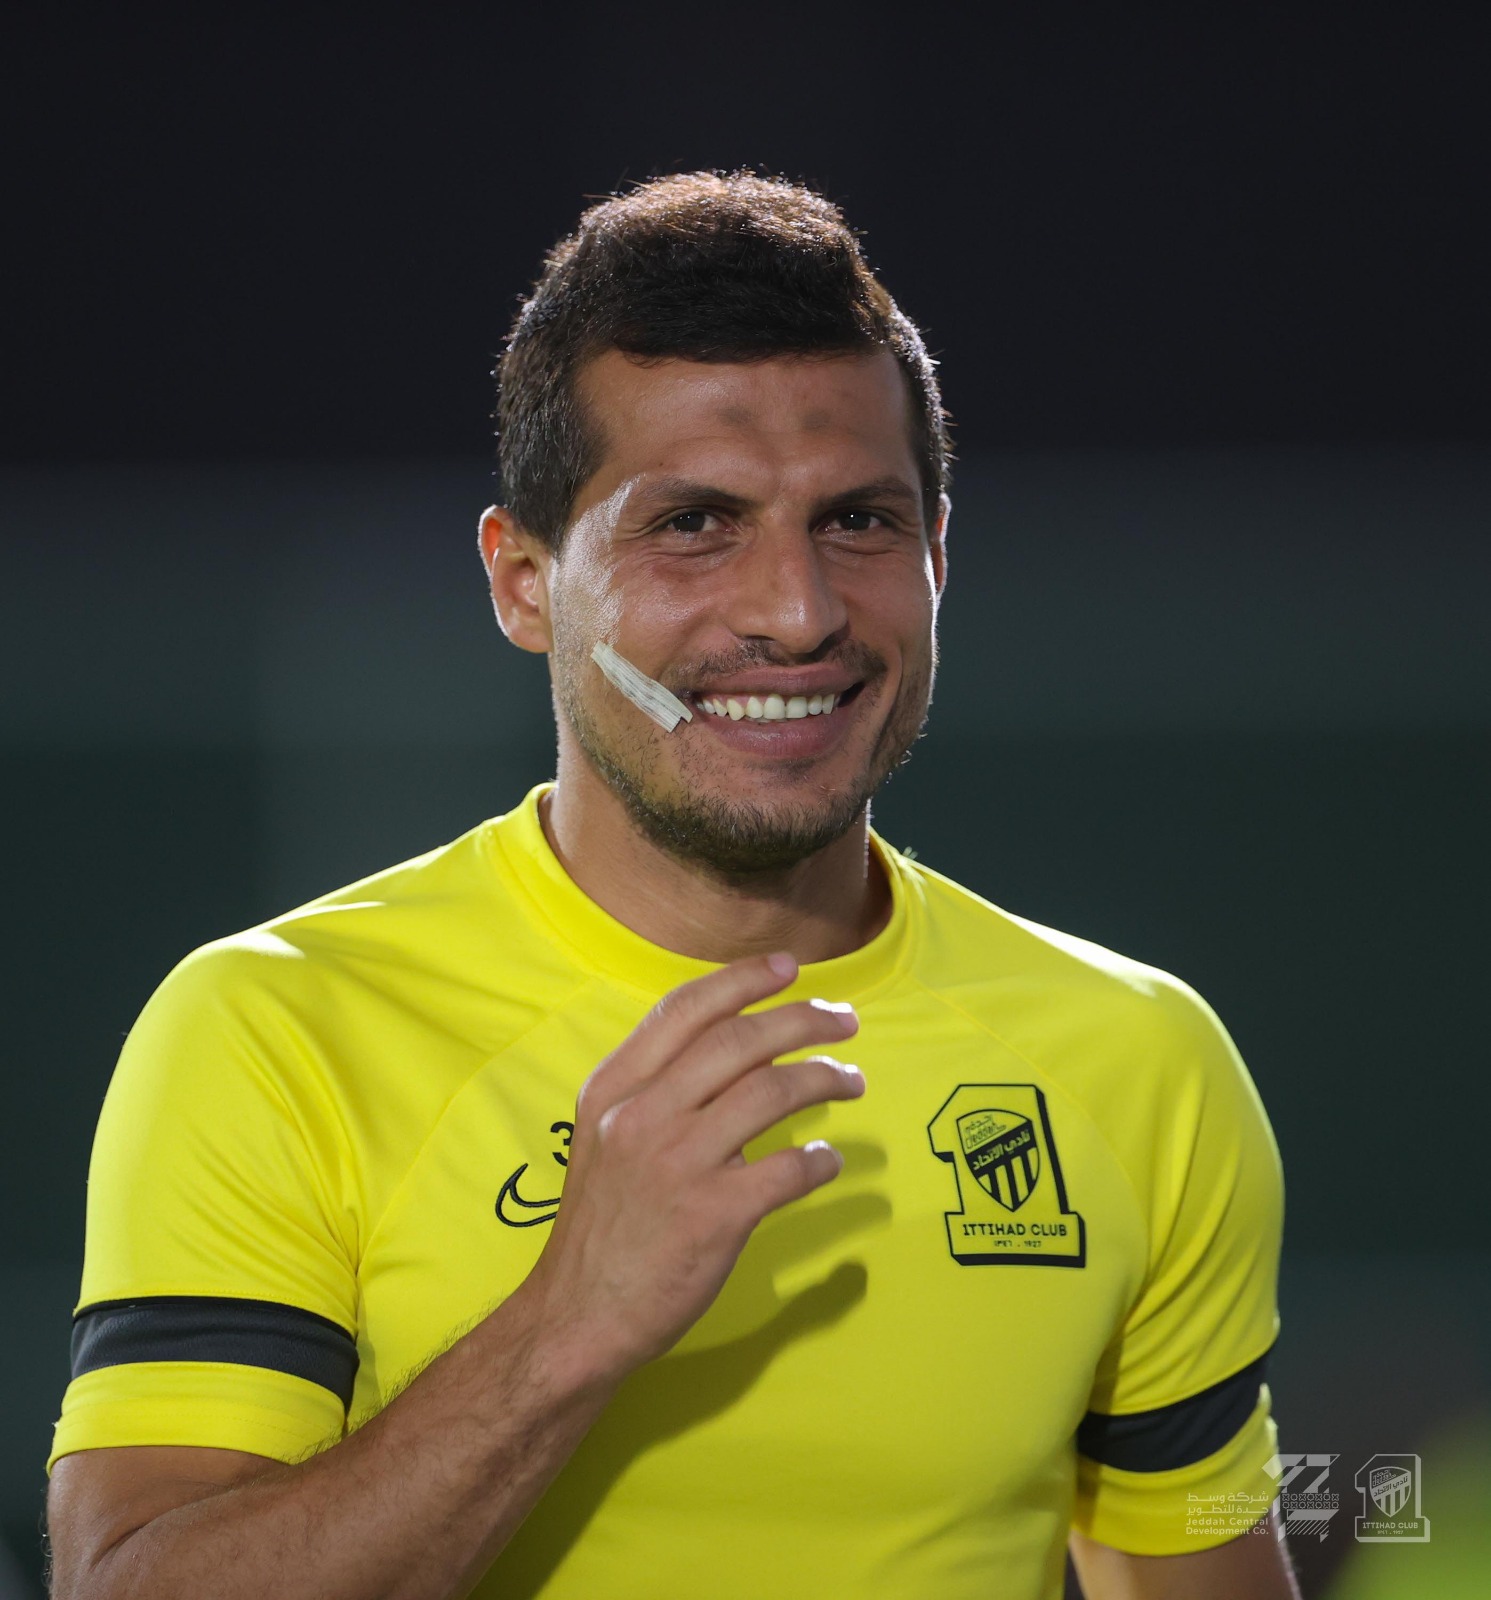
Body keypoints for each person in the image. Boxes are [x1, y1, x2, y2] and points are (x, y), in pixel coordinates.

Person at [46, 172, 1296, 1600]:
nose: (797, 613)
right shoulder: (278, 1032)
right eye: (695, 523)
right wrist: (568, 1324)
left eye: (859, 522)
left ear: (940, 559)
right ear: (524, 583)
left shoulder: (1143, 1060)